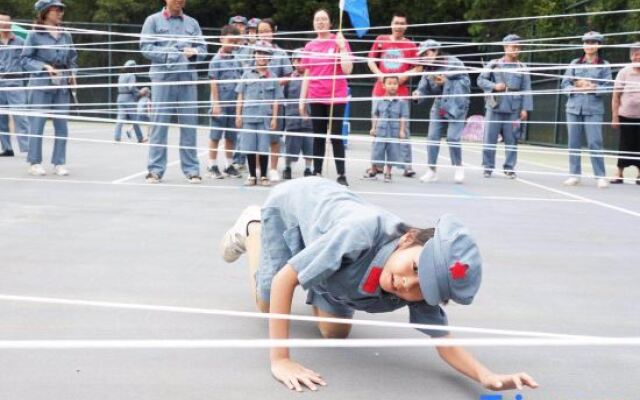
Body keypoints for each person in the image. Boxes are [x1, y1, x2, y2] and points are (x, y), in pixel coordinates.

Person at [219, 177, 539, 393]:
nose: (407, 284)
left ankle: (318, 267)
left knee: (334, 333)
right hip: (294, 207)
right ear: (407, 239)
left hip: (337, 259)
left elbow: (443, 340)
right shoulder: (358, 233)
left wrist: (487, 376)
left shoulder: (422, 283)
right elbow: (284, 281)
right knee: (267, 302)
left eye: (421, 286)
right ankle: (252, 227)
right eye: (415, 268)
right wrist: (280, 359)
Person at [140, 0, 206, 184]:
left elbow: (203, 49)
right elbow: (145, 47)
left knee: (189, 125)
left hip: (186, 79)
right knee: (159, 124)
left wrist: (194, 52)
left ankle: (192, 170)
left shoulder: (192, 23)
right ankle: (155, 170)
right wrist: (170, 53)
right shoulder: (152, 21)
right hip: (163, 79)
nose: (179, 1)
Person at [21, 0, 77, 177]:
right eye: (57, 9)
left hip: (61, 86)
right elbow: (25, 60)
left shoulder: (66, 35)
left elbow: (73, 58)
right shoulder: (34, 35)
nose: (61, 12)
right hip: (41, 86)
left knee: (62, 126)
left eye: (62, 9)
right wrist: (45, 67)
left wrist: (73, 73)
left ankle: (59, 162)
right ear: (45, 12)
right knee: (37, 125)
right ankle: (34, 162)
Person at [299, 9, 353, 186]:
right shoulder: (309, 46)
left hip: (336, 96)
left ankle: (341, 174)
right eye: (317, 19)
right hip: (316, 96)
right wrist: (302, 100)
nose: (320, 22)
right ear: (313, 23)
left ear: (330, 23)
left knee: (336, 136)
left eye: (324, 19)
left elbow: (347, 70)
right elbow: (306, 74)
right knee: (319, 136)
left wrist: (343, 47)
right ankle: (317, 171)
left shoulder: (339, 41)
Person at [367, 11, 420, 177]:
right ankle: (376, 165)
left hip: (401, 94)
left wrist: (405, 76)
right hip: (379, 92)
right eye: (396, 23)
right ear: (391, 24)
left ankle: (406, 166)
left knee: (403, 129)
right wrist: (380, 75)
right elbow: (370, 60)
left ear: (406, 26)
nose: (398, 26)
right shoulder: (380, 40)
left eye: (402, 23)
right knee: (378, 128)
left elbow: (418, 67)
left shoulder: (411, 45)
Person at [412, 39, 470, 184]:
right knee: (432, 136)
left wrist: (447, 82)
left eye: (427, 53)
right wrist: (418, 94)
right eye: (422, 54)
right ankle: (431, 170)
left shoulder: (453, 62)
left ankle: (458, 167)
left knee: (453, 138)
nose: (424, 57)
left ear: (436, 51)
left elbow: (466, 83)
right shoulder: (428, 70)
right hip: (439, 105)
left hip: (457, 105)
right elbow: (423, 88)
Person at [477, 34, 533, 180]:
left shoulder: (522, 67)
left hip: (514, 108)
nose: (516, 50)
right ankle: (488, 167)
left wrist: (525, 109)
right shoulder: (494, 64)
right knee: (489, 138)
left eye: (518, 47)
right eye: (513, 47)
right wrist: (494, 85)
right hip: (495, 106)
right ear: (505, 47)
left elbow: (526, 89)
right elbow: (480, 80)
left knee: (512, 139)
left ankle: (509, 168)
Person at [561, 31, 612, 189]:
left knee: (594, 142)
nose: (589, 45)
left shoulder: (604, 65)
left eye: (593, 42)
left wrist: (593, 86)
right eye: (586, 42)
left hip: (594, 108)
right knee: (573, 142)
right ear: (583, 45)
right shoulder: (575, 63)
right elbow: (564, 85)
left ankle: (600, 176)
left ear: (599, 45)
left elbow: (609, 87)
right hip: (574, 107)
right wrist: (576, 86)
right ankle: (574, 174)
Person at [235, 40, 281, 187]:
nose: (262, 56)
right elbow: (240, 96)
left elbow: (276, 100)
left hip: (264, 118)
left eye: (265, 54)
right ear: (254, 55)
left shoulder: (273, 77)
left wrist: (274, 117)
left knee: (263, 146)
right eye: (259, 53)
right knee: (249, 146)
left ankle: (263, 176)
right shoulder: (247, 74)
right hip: (248, 116)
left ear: (270, 57)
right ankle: (252, 175)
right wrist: (238, 115)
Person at [257, 18, 293, 182]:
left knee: (274, 137)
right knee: (257, 135)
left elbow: (289, 75)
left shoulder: (281, 53)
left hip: (276, 102)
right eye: (260, 31)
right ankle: (257, 168)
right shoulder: (251, 51)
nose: (263, 34)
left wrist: (274, 82)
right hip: (256, 101)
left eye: (266, 30)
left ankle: (272, 168)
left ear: (274, 31)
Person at [207, 24, 242, 179]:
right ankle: (212, 164)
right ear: (221, 39)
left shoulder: (236, 59)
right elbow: (214, 83)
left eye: (235, 42)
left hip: (233, 104)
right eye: (230, 41)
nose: (232, 45)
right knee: (215, 135)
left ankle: (229, 165)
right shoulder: (216, 60)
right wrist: (216, 104)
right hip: (220, 103)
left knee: (230, 136)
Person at [364, 75, 407, 183]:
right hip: (380, 130)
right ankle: (373, 170)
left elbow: (402, 117)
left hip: (394, 131)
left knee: (392, 152)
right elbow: (375, 115)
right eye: (389, 83)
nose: (392, 86)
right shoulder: (379, 101)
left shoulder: (402, 102)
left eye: (395, 84)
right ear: (384, 85)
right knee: (376, 150)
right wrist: (373, 128)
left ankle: (388, 173)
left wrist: (402, 131)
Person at [0, 9, 30, 157]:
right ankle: (7, 148)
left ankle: (27, 148)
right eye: (2, 22)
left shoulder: (20, 41)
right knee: (1, 118)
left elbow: (27, 61)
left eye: (7, 21)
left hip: (15, 83)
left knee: (20, 116)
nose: (5, 24)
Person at [611, 42, 640, 185]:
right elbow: (616, 96)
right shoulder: (624, 72)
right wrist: (614, 117)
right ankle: (619, 173)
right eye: (635, 54)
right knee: (625, 145)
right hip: (626, 115)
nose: (637, 57)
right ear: (631, 57)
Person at [282, 48, 313, 179]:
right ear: (293, 62)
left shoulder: (313, 77)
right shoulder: (288, 79)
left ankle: (308, 168)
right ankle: (288, 167)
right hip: (292, 117)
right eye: (297, 60)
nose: (300, 63)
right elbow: (284, 97)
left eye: (303, 60)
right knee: (290, 145)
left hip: (309, 118)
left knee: (310, 144)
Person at [114, 59, 146, 143]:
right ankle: (140, 138)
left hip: (120, 97)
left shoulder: (121, 75)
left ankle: (117, 137)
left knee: (120, 119)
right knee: (134, 119)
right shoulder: (131, 75)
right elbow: (131, 87)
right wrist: (139, 93)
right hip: (128, 98)